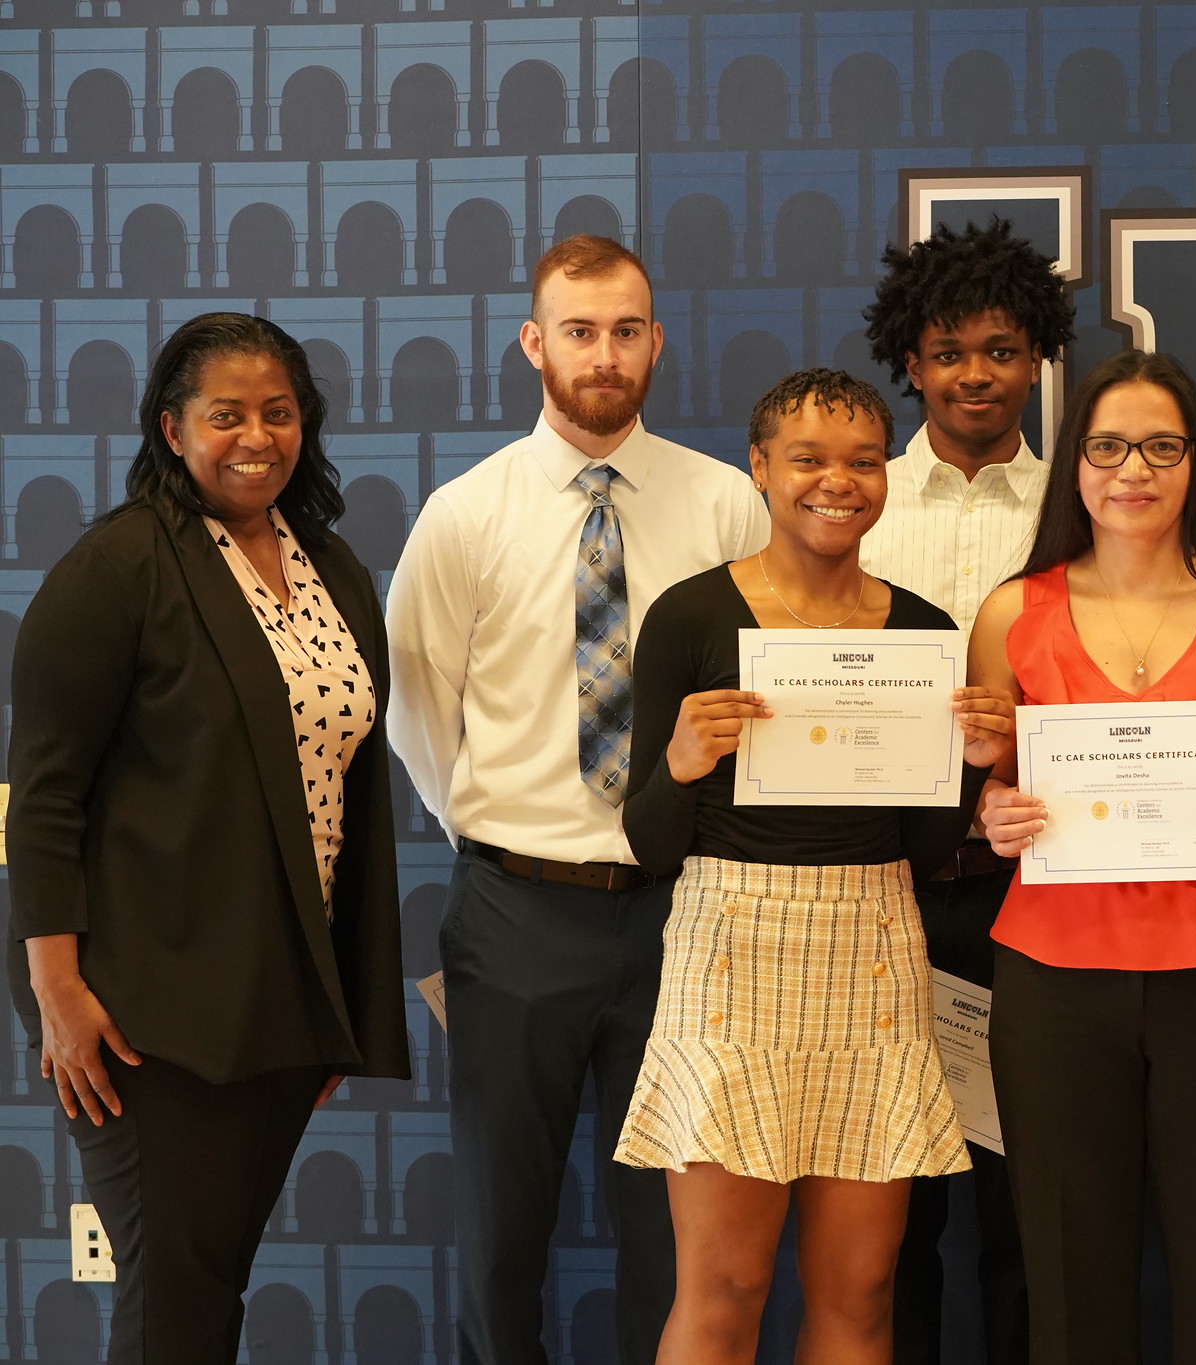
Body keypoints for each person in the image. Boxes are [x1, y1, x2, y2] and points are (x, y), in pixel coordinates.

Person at [386, 235, 769, 1364]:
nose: (604, 355)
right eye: (579, 330)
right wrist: (507, 844)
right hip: (516, 913)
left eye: (626, 330)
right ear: (533, 343)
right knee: (502, 1225)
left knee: (677, 1229)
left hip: (686, 913)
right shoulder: (466, 513)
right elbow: (420, 713)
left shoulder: (725, 507)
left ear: (655, 341)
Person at [7, 312, 409, 1362]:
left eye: (279, 413)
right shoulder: (120, 566)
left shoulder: (331, 569)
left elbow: (344, 794)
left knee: (209, 1287)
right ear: (172, 428)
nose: (256, 436)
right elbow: (42, 799)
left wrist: (328, 1008)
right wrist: (58, 995)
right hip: (140, 1009)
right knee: (175, 1298)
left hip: (274, 1005)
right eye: (225, 414)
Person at [612, 368, 1014, 1364]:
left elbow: (923, 857)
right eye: (807, 458)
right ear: (759, 467)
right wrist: (678, 763)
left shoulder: (923, 634)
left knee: (861, 1291)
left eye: (862, 461)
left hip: (872, 946)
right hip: (727, 946)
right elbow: (650, 842)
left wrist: (965, 774)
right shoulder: (691, 617)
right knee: (724, 1284)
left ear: (884, 477)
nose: (836, 482)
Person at [975, 350, 1196, 1365]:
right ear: (1074, 465)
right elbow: (987, 798)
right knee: (1069, 1284)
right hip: (1052, 985)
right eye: (1107, 446)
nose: (1133, 469)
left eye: (1161, 446)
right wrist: (989, 816)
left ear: (1195, 462)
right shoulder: (1011, 613)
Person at [859, 215, 1076, 1365]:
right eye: (948, 352)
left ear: (1035, 357)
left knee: (1018, 1206)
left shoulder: (1079, 515)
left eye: (998, 349)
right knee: (886, 1214)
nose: (973, 374)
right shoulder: (854, 505)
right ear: (910, 363)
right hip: (878, 894)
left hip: (1026, 895)